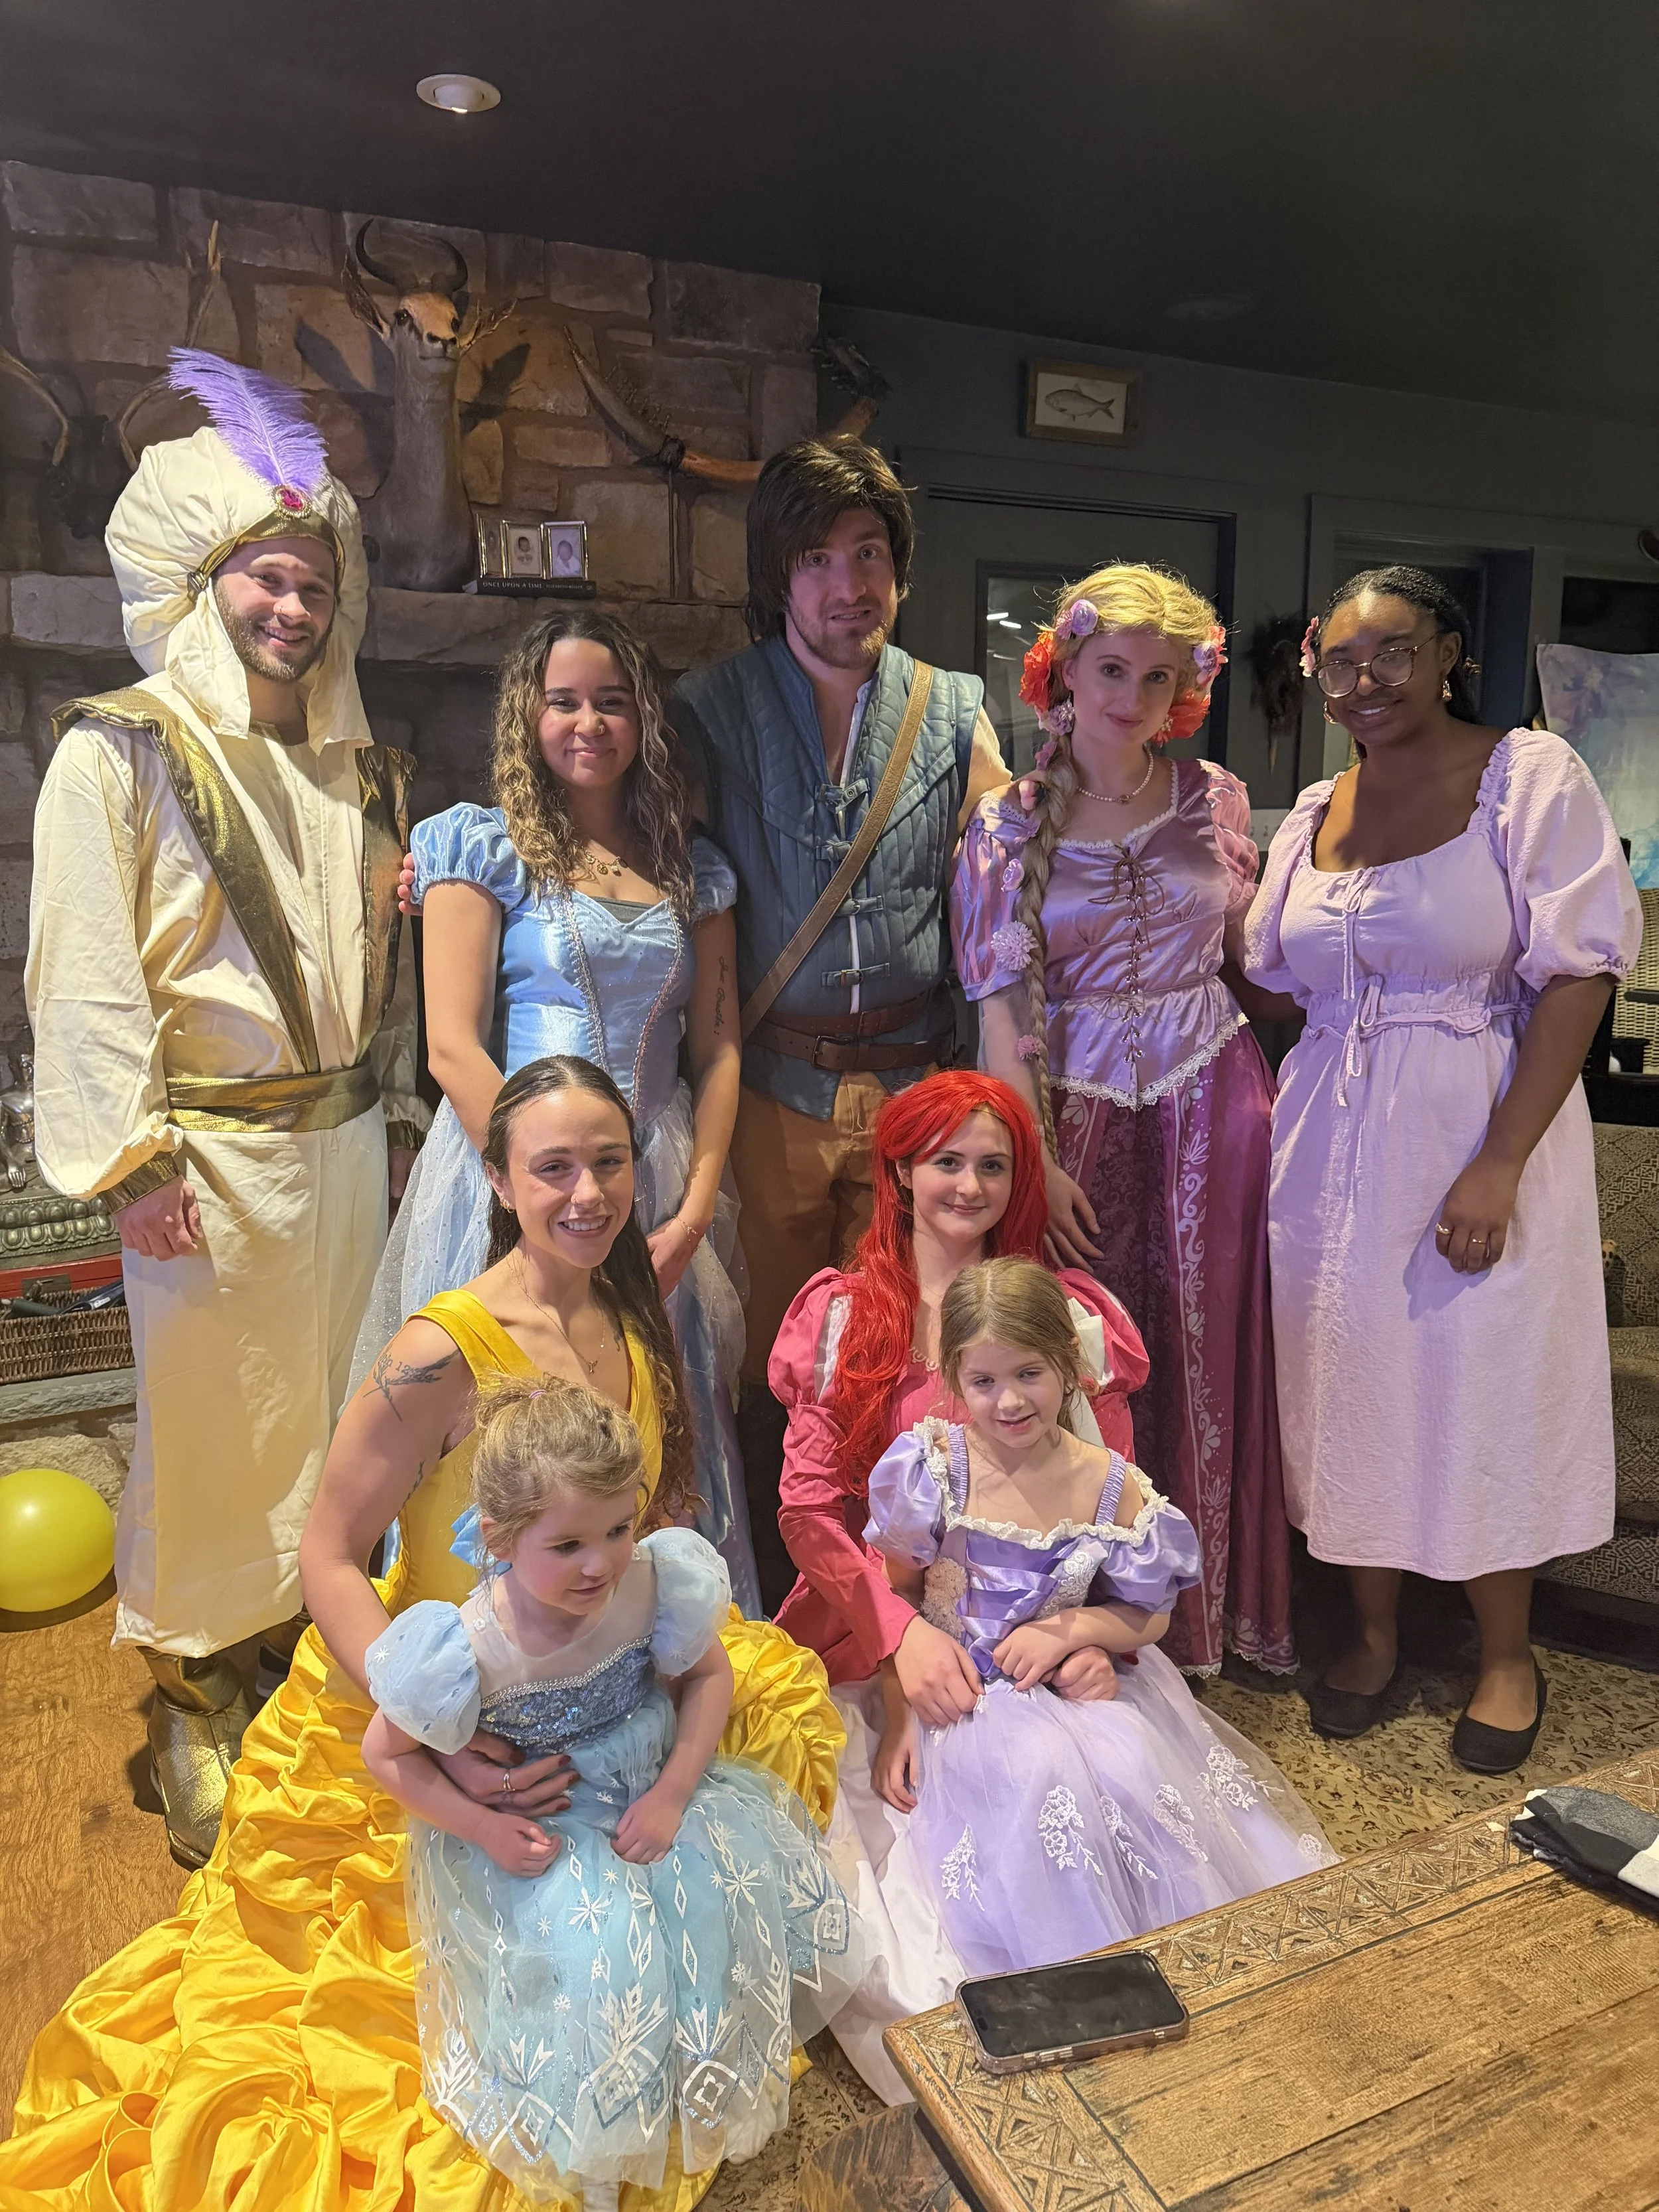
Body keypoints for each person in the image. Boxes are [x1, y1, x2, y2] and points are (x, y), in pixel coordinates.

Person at [0, 1058, 844, 2212]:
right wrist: (443, 1735)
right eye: (553, 1167)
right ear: (498, 1177)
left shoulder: (631, 1301)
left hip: (599, 1673)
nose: (588, 1192)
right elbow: (330, 1553)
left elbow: (633, 1519)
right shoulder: (438, 1349)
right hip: (458, 1691)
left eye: (608, 1162)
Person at [24, 349, 425, 1866]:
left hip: (335, 1153)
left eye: (315, 585)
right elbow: (83, 974)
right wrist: (129, 1160)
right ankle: (195, 1692)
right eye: (267, 578)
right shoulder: (114, 750)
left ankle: (290, 1643)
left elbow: (355, 967)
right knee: (209, 1436)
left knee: (321, 1420)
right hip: (199, 1161)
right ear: (206, 585)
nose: (293, 609)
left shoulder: (349, 768)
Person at [1243, 564, 1642, 1772]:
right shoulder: (1316, 804)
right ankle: (1370, 1628)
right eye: (1344, 661)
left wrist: (1500, 1160)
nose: (1367, 682)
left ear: (1450, 651)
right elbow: (1275, 976)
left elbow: (1580, 972)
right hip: (1328, 1146)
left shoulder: (1528, 774)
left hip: (1477, 1122)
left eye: (1396, 653)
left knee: (1486, 1378)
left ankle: (1506, 1650)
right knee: (1344, 1369)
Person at [826, 1259, 1333, 2100]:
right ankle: (1074, 1995)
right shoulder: (932, 1468)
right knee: (1038, 1778)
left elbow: (1151, 1616)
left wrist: (1080, 1630)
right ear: (952, 1377)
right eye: (983, 1380)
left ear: (1070, 1366)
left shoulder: (1112, 1488)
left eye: (1029, 1373)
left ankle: (1180, 1975)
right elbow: (896, 1597)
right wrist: (900, 1710)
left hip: (1078, 1690)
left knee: (1132, 1769)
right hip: (966, 1699)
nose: (1010, 1400)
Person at [362, 1374, 855, 2208]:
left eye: (620, 1529)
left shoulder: (654, 1584)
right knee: (602, 1955)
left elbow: (706, 1677)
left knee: (714, 1903)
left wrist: (672, 1791)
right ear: (499, 1538)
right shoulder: (472, 1646)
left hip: (656, 1790)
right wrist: (479, 1825)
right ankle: (600, 2113)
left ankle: (692, 2069)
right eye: (567, 1547)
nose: (600, 1564)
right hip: (551, 1821)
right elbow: (388, 1756)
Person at [362, 607, 759, 1613]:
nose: (590, 723)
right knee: (518, 1402)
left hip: (658, 1174)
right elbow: (450, 1042)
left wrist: (695, 1204)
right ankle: (501, 1647)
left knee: (654, 1408)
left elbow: (717, 1049)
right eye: (565, 701)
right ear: (527, 717)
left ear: (646, 721)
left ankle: (658, 1640)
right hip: (518, 1170)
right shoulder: (478, 847)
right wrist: (552, 1180)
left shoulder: (691, 869)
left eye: (613, 702)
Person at [671, 437, 1011, 1605]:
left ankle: (902, 1581)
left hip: (915, 1098)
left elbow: (1010, 886)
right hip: (773, 1088)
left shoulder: (957, 709)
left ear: (901, 572)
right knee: (776, 1357)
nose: (846, 584)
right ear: (780, 574)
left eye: (869, 553)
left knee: (905, 1346)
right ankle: (786, 1582)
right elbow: (636, 847)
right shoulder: (710, 710)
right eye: (817, 556)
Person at [952, 563, 1291, 1676]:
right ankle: (1072, 1617)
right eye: (1112, 669)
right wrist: (1034, 1162)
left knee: (1210, 1353)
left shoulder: (1220, 800)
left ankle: (1193, 1623)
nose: (1131, 696)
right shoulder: (1006, 826)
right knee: (1085, 1358)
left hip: (1217, 1102)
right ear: (1064, 668)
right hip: (1075, 1113)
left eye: (1160, 676)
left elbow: (1256, 962)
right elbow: (1004, 1009)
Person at [770, 1069, 1147, 1694]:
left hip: (1037, 1634)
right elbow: (809, 1513)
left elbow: (1109, 1495)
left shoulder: (1068, 1321)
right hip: (873, 1622)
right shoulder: (841, 1321)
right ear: (900, 1172)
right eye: (949, 1161)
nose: (971, 1187)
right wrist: (902, 1634)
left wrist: (1085, 1634)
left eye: (993, 1166)